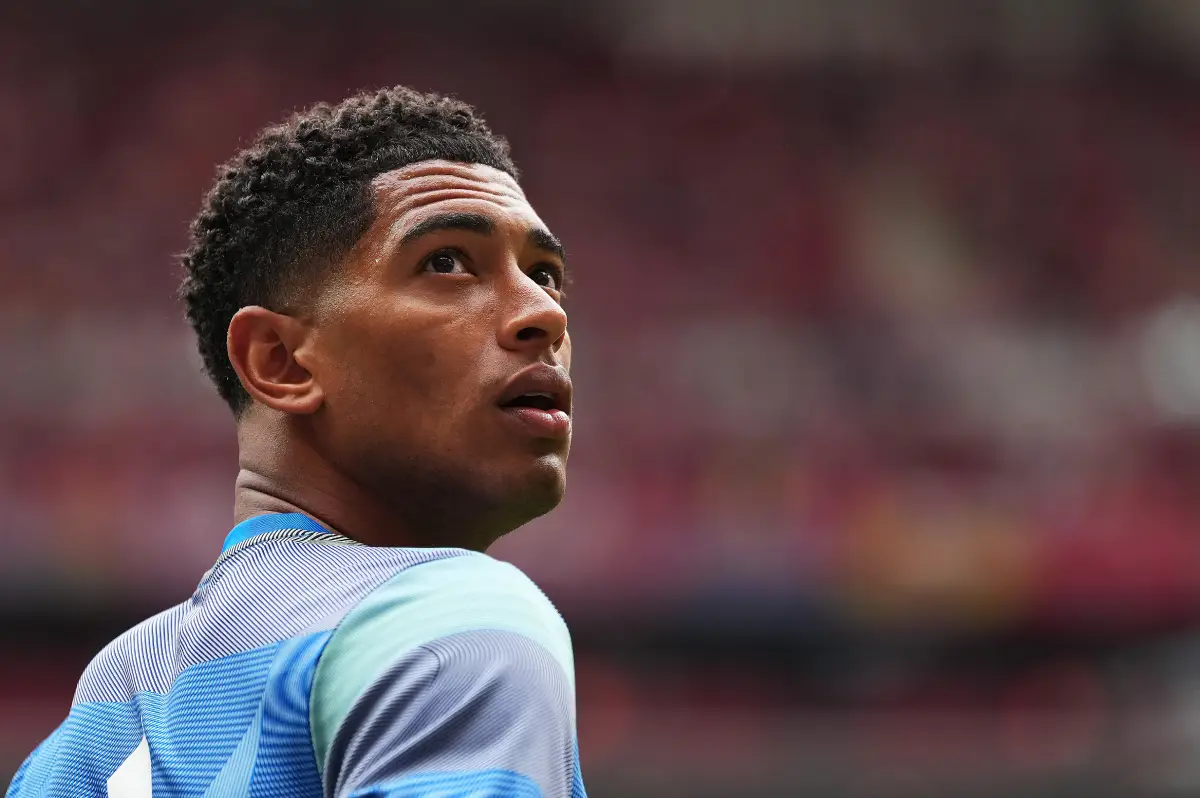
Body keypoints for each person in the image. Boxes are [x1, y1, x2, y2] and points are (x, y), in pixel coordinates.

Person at [8, 86, 585, 798]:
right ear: (280, 362)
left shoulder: (102, 709)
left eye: (546, 275)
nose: (544, 314)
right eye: (446, 262)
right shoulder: (453, 622)